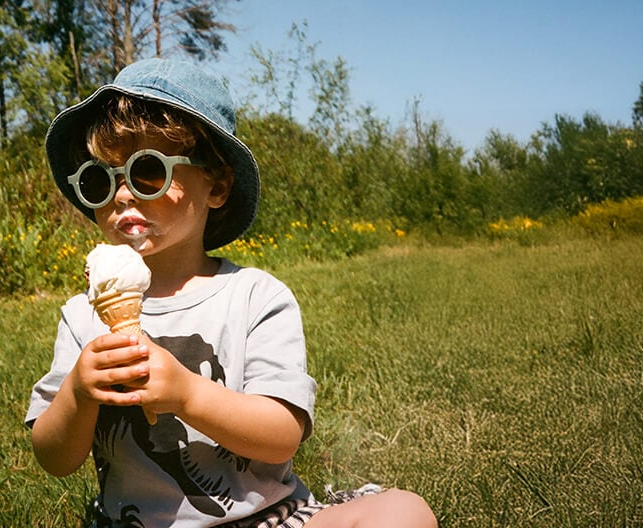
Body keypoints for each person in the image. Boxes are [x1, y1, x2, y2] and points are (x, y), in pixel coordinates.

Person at [26, 58, 437, 528]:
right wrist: (79, 392)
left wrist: (186, 394)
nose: (121, 195)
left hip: (267, 520)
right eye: (101, 179)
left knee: (404, 512)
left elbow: (282, 434)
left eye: (146, 173)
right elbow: (53, 457)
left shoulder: (255, 297)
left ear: (216, 184)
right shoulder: (84, 316)